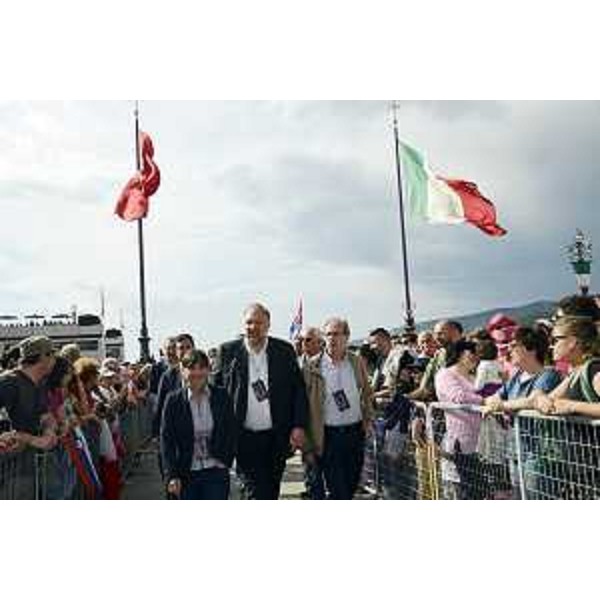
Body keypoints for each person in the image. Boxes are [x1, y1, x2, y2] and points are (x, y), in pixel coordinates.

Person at [214, 303, 308, 500]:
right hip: (243, 436)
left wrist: (299, 426)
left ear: (268, 325)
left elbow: (298, 391)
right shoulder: (228, 351)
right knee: (252, 490)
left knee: (272, 489)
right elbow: (216, 395)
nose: (253, 327)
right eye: (249, 322)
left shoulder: (284, 351)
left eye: (258, 322)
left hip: (277, 436)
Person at [303, 318, 373, 499]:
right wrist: (307, 442)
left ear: (347, 337)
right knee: (338, 489)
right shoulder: (312, 366)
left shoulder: (356, 361)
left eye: (337, 334)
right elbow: (304, 404)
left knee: (350, 484)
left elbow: (366, 392)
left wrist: (368, 419)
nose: (332, 338)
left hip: (355, 433)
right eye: (328, 334)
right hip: (328, 436)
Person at [161, 350, 236, 500]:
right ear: (183, 371)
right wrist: (171, 475)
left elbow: (231, 430)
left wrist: (227, 459)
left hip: (216, 470)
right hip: (186, 473)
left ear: (208, 370)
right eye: (191, 368)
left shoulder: (221, 396)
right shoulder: (173, 401)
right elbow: (167, 441)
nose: (197, 373)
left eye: (201, 368)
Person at [434, 340, 483, 499]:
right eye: (472, 353)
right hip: (462, 443)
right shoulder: (445, 374)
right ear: (460, 354)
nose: (476, 357)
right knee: (467, 490)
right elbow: (458, 397)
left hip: (483, 443)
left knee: (480, 492)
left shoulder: (474, 376)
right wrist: (486, 400)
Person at [0, 336, 58, 453]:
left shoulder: (40, 384)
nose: (55, 360)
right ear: (43, 357)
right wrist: (32, 439)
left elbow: (45, 416)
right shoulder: (8, 383)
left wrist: (49, 431)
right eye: (53, 355)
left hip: (26, 464)